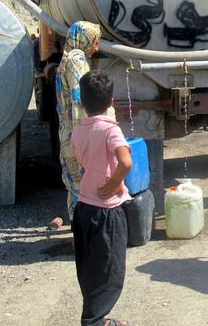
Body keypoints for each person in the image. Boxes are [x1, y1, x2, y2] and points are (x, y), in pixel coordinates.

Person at [71, 70, 132, 326]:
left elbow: (87, 162)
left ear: (82, 103)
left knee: (89, 268)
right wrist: (116, 182)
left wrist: (110, 179)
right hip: (107, 212)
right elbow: (126, 162)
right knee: (109, 272)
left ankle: (98, 318)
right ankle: (94, 321)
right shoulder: (110, 130)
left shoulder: (77, 131)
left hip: (83, 206)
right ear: (111, 102)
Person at [55, 21, 102, 222]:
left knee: (74, 185)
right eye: (94, 42)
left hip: (67, 133)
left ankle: (78, 232)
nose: (96, 48)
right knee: (84, 186)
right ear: (84, 41)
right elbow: (78, 101)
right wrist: (85, 136)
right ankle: (83, 234)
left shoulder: (67, 58)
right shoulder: (77, 62)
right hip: (76, 135)